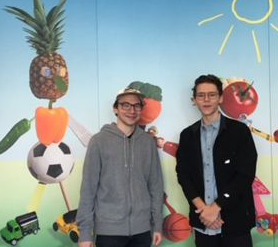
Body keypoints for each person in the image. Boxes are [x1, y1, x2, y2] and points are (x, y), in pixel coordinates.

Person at [175, 74, 257, 247]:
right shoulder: (188, 135)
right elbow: (184, 176)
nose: (206, 100)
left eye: (211, 95)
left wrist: (216, 207)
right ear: (194, 100)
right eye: (201, 95)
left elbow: (245, 175)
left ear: (220, 98)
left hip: (235, 221)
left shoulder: (239, 132)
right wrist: (205, 211)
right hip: (203, 221)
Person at [76, 87, 164, 247]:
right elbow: (88, 189)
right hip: (108, 233)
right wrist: (85, 233)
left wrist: (158, 224)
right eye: (125, 105)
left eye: (137, 106)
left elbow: (156, 186)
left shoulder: (148, 142)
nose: (132, 110)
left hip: (142, 232)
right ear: (115, 108)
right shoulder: (98, 141)